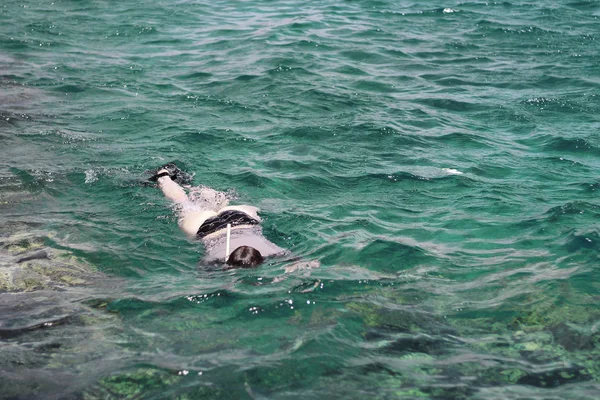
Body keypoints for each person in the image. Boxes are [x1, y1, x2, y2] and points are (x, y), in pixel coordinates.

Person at [150, 164, 287, 268]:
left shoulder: (275, 253)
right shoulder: (213, 260)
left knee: (205, 203)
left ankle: (177, 181)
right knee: (182, 203)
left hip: (242, 219)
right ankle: (164, 177)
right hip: (207, 230)